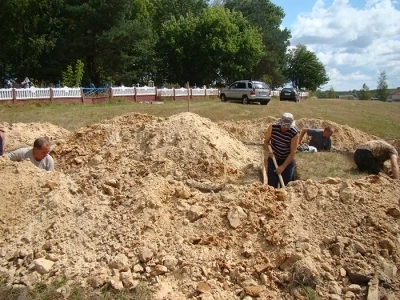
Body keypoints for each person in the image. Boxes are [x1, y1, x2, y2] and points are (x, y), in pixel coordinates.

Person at [264, 112, 299, 188]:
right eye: (283, 126)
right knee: (272, 185)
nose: (285, 128)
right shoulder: (272, 127)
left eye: (287, 126)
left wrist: (283, 167)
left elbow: (293, 151)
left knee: (287, 185)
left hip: (287, 160)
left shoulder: (294, 132)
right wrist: (269, 151)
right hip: (273, 159)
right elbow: (266, 142)